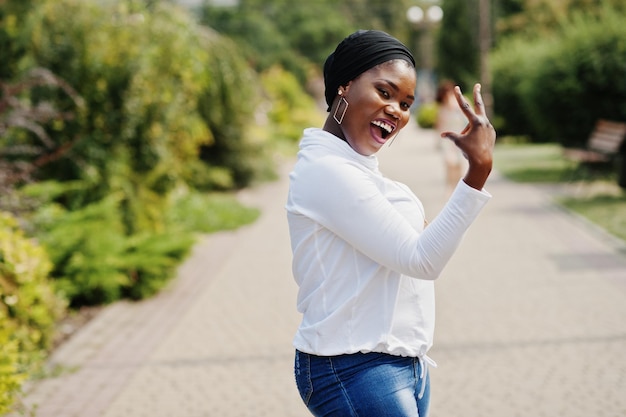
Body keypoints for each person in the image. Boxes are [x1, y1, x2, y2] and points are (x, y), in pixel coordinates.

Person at [285, 30, 495, 417]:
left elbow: (419, 246)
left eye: (405, 103)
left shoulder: (362, 173)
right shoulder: (327, 172)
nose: (397, 111)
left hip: (402, 364)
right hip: (352, 368)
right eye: (385, 92)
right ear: (344, 87)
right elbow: (423, 260)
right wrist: (478, 172)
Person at [435, 79, 470, 195]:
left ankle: (459, 189)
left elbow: (469, 119)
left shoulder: (462, 103)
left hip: (462, 138)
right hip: (448, 141)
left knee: (460, 165)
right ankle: (450, 187)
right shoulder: (442, 108)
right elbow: (439, 125)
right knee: (450, 163)